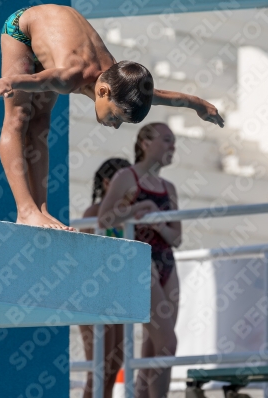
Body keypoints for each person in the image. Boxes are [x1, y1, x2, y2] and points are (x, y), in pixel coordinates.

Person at [0, 4, 224, 229]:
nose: (115, 126)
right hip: (23, 30)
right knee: (18, 117)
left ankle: (41, 209)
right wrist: (9, 81)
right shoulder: (69, 77)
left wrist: (199, 105)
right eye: (117, 117)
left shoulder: (122, 84)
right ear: (103, 91)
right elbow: (36, 80)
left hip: (53, 39)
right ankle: (25, 211)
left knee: (41, 124)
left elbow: (164, 96)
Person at [98, 123, 181, 398]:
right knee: (167, 343)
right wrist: (139, 208)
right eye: (167, 140)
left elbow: (176, 237)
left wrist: (158, 224)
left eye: (174, 142)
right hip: (140, 260)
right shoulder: (127, 176)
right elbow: (104, 218)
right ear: (145, 143)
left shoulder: (169, 188)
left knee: (154, 349)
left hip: (166, 261)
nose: (172, 147)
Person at [79, 157, 131, 398]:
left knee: (115, 362)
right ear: (108, 183)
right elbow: (86, 259)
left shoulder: (125, 215)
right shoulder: (93, 213)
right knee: (99, 367)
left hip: (117, 294)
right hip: (94, 295)